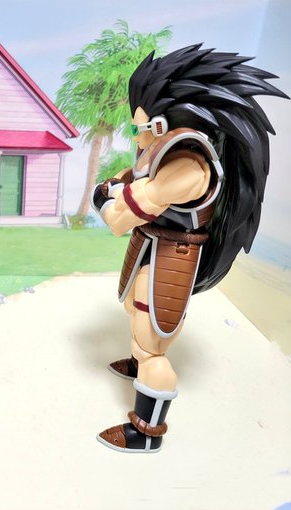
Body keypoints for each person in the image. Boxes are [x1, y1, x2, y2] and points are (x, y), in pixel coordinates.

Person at [91, 44, 288, 452]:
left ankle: (146, 432)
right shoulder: (163, 155)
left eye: (142, 126)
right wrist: (119, 188)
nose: (138, 136)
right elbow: (132, 181)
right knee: (135, 312)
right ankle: (138, 362)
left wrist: (104, 199)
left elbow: (120, 217)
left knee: (152, 343)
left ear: (166, 122)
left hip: (172, 257)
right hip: (152, 247)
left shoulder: (188, 167)